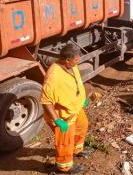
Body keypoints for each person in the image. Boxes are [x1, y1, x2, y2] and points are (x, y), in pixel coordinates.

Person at [40, 44, 89, 174]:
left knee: (82, 126)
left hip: (75, 109)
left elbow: (76, 82)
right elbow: (46, 101)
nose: (78, 61)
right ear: (67, 60)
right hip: (63, 117)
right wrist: (57, 121)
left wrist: (81, 98)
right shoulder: (53, 77)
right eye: (76, 60)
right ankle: (64, 167)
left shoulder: (71, 66)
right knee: (64, 142)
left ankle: (76, 150)